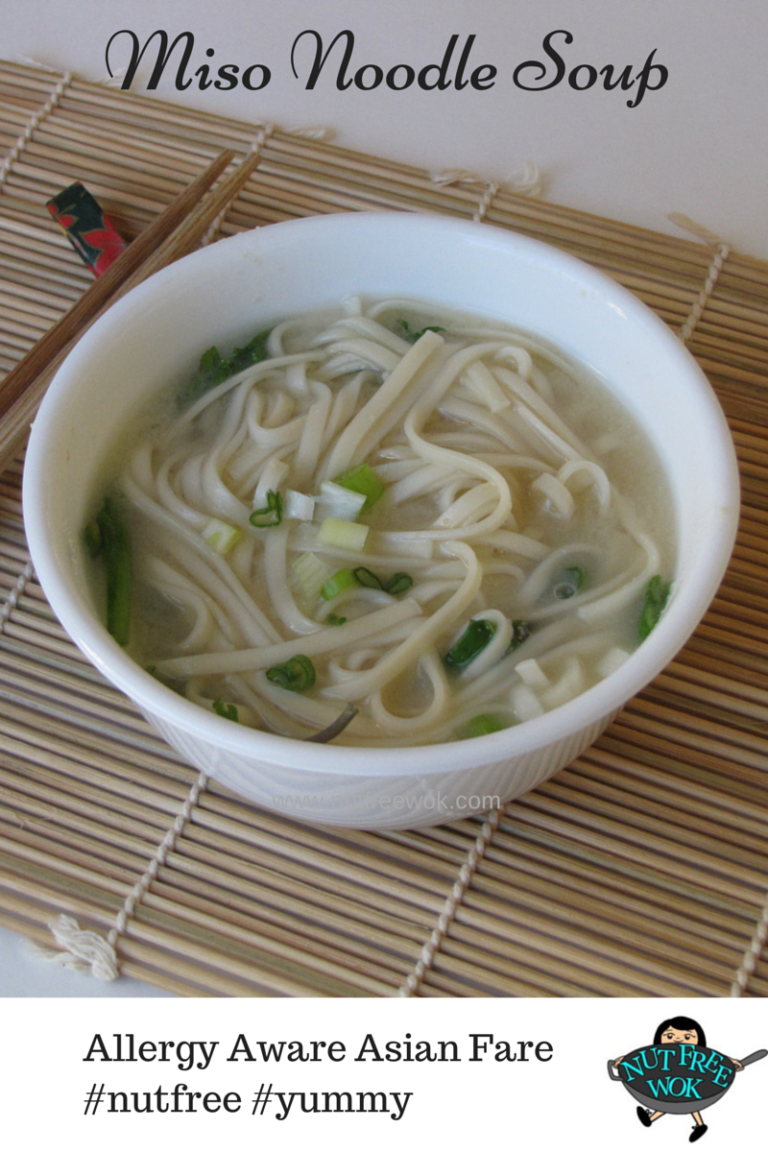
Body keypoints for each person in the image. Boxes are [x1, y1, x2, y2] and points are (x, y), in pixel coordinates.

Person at [615, 1016, 742, 1143]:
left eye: (687, 1037)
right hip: (668, 1090)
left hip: (693, 1089)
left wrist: (730, 1062)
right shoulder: (657, 1056)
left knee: (691, 1099)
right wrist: (624, 1060)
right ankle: (651, 1119)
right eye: (669, 1036)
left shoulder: (700, 1057)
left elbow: (716, 1059)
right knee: (665, 1099)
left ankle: (700, 1125)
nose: (677, 1039)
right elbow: (639, 1059)